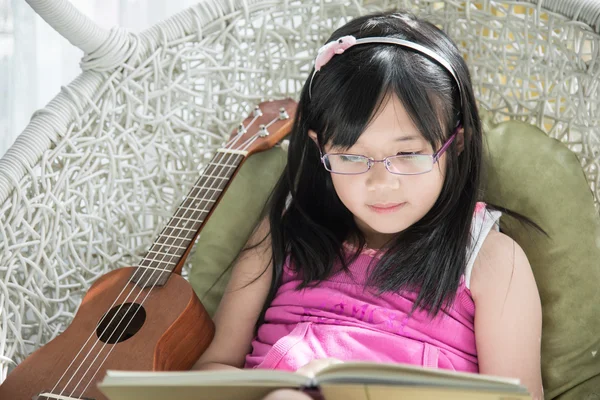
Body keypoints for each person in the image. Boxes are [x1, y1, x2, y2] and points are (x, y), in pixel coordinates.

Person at [192, 9, 544, 400]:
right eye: (352, 158)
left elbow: (519, 397)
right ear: (319, 148)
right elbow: (213, 367)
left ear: (455, 145)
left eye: (408, 154)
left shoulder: (491, 260)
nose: (380, 184)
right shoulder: (288, 233)